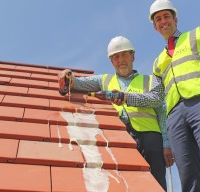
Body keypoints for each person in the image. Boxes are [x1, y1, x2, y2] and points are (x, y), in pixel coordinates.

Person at [122, 0, 200, 191]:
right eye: (158, 19)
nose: (163, 21)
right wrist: (125, 97)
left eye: (166, 16)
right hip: (175, 117)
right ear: (155, 26)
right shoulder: (158, 61)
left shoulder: (196, 36)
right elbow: (155, 98)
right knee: (187, 174)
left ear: (175, 19)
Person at [58, 36, 173, 191]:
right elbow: (79, 83)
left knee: (156, 183)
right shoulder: (104, 80)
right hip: (122, 138)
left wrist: (166, 144)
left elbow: (161, 110)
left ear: (133, 56)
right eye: (116, 57)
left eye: (125, 54)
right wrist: (68, 75)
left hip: (151, 138)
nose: (121, 60)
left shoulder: (150, 80)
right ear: (111, 61)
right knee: (126, 182)